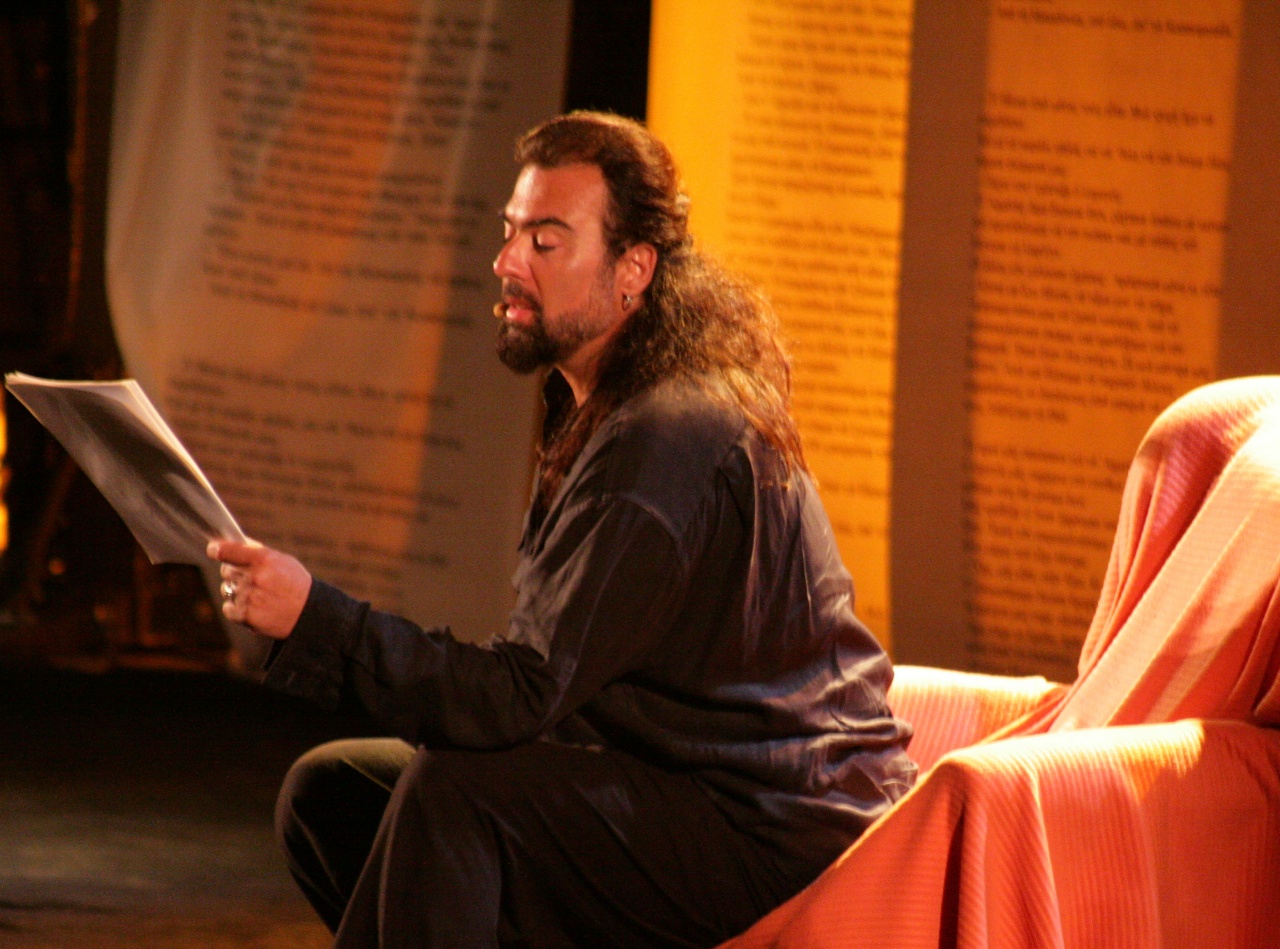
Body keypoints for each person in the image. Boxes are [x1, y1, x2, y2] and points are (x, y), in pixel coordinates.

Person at [207, 111, 916, 948]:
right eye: (511, 233)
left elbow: (519, 696)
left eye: (546, 241)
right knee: (331, 793)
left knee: (455, 794)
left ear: (633, 269)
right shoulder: (610, 404)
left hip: (771, 820)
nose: (508, 262)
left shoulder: (662, 438)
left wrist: (315, 616)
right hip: (675, 774)